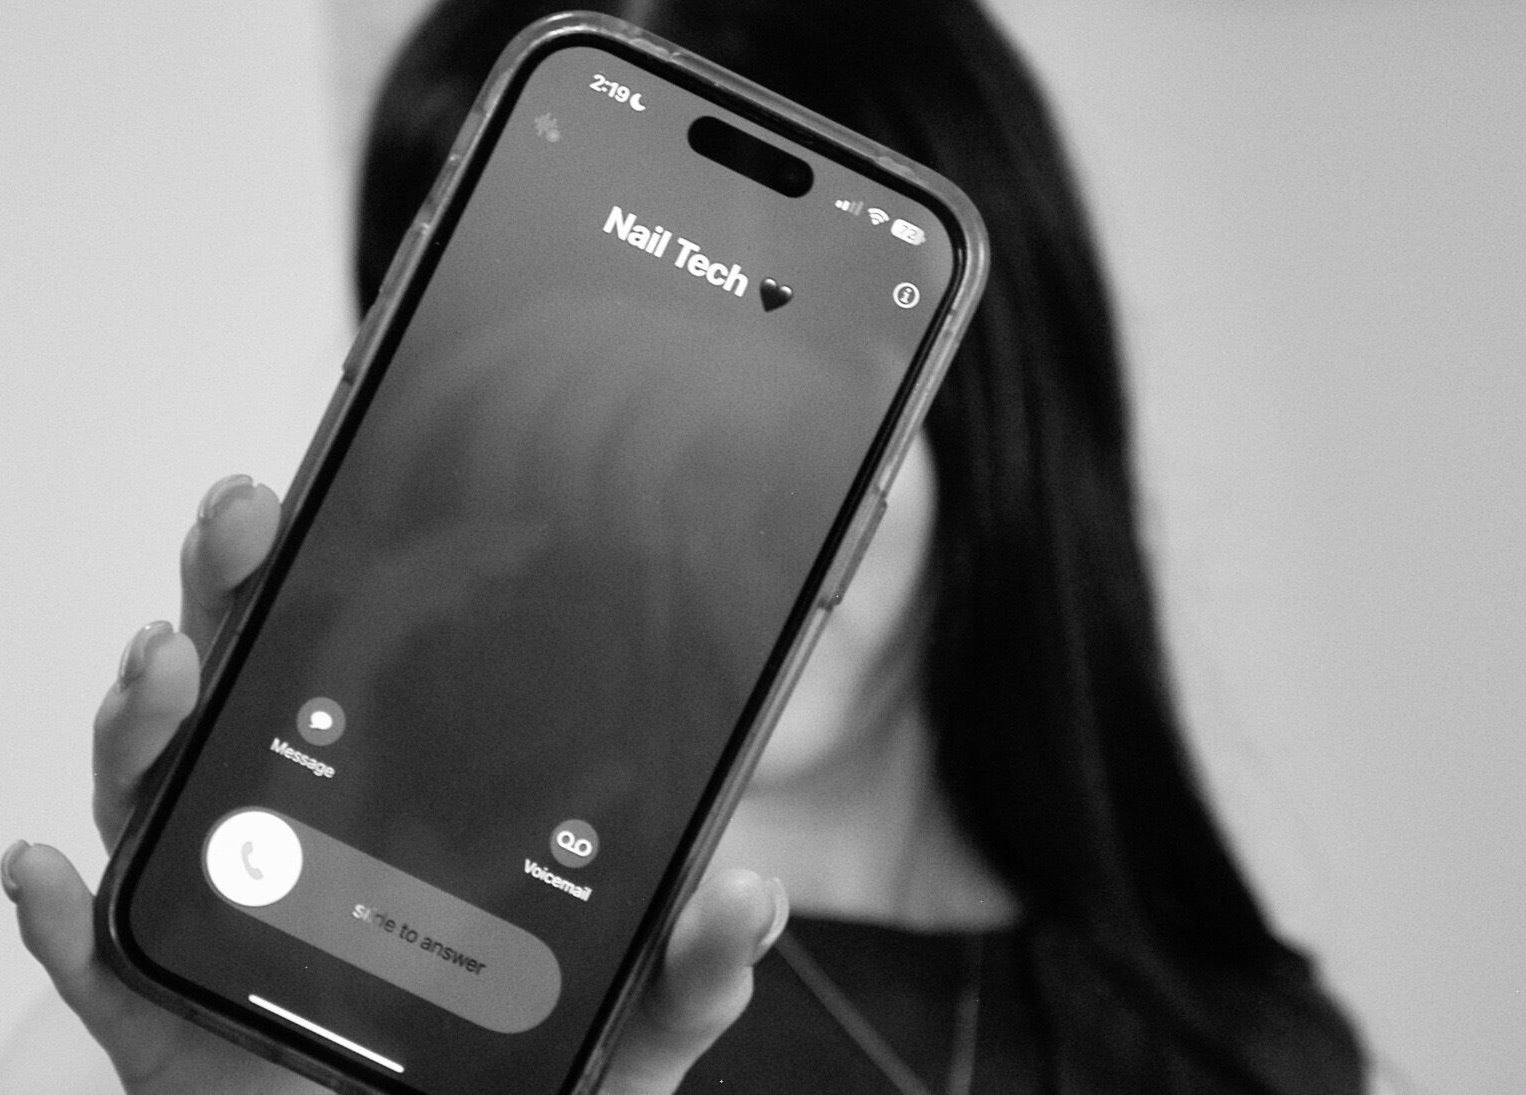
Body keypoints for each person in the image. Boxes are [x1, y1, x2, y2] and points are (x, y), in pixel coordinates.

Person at [3, 0, 1369, 1091]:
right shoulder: (269, 994)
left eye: (766, 368)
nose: (656, 520)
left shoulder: (1236, 1057)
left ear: (991, 384)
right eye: (562, 434)